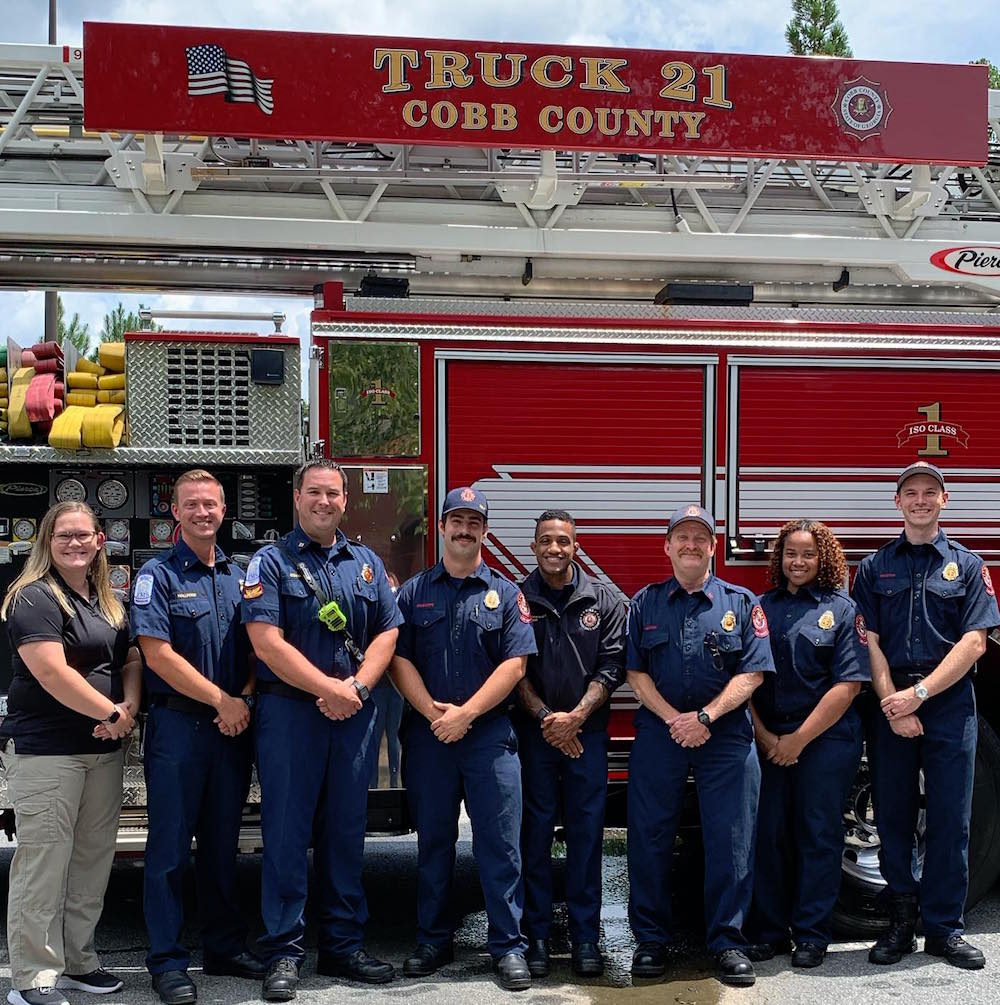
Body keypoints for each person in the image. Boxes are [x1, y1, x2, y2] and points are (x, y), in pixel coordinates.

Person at [242, 459, 402, 1001]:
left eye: (333, 493)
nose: (324, 501)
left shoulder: (365, 563)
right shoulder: (269, 561)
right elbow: (267, 642)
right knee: (286, 834)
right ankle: (284, 951)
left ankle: (342, 944)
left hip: (352, 714)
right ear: (297, 498)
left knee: (344, 833)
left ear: (345, 501)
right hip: (290, 716)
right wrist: (326, 690)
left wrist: (355, 687)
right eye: (315, 492)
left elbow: (387, 632)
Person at [853, 461, 1000, 970]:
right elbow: (867, 639)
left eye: (929, 493)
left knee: (950, 821)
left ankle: (943, 930)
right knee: (892, 817)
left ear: (945, 500)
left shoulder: (969, 564)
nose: (920, 500)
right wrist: (893, 700)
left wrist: (919, 694)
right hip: (892, 703)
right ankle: (899, 926)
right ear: (897, 502)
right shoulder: (874, 568)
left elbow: (975, 641)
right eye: (910, 493)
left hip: (949, 702)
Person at [390, 486, 537, 991]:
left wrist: (466, 714)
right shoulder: (413, 592)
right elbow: (398, 658)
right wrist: (432, 711)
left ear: (485, 532)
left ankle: (508, 947)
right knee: (434, 842)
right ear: (443, 527)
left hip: (488, 736)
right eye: (457, 520)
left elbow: (515, 665)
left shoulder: (507, 594)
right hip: (430, 735)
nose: (465, 529)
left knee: (500, 845)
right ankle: (433, 940)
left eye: (475, 522)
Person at [131, 470, 264, 1005]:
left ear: (224, 509)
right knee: (168, 850)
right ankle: (167, 961)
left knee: (220, 847)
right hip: (180, 728)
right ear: (176, 512)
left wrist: (246, 699)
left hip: (231, 730)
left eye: (210, 503)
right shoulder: (156, 576)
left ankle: (224, 947)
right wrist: (223, 702)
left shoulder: (242, 576)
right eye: (192, 504)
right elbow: (156, 652)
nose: (202, 512)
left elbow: (261, 645)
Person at [626, 504, 772, 988]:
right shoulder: (644, 603)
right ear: (666, 546)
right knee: (649, 837)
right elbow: (636, 673)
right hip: (662, 734)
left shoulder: (741, 602)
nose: (691, 545)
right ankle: (650, 941)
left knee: (731, 839)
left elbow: (752, 673)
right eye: (681, 537)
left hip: (725, 735)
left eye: (700, 538)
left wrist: (706, 717)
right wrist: (676, 720)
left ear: (713, 547)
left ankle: (728, 941)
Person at [0, 501, 141, 1005]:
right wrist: (110, 714)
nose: (75, 543)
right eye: (64, 535)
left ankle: (79, 961)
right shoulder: (34, 597)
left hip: (101, 752)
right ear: (47, 541)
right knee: (44, 863)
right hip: (48, 752)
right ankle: (33, 978)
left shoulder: (106, 599)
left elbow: (130, 657)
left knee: (90, 862)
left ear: (101, 540)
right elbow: (51, 673)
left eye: (84, 535)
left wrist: (127, 706)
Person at [746, 519, 869, 968]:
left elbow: (848, 686)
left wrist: (797, 740)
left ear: (825, 559)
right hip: (769, 738)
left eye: (808, 554)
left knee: (817, 835)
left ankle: (813, 935)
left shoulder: (842, 610)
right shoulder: (758, 608)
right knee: (769, 835)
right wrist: (766, 736)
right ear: (779, 559)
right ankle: (769, 932)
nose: (798, 562)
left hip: (824, 739)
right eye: (790, 554)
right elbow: (747, 679)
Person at [515, 509, 625, 978]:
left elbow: (613, 666)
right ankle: (536, 939)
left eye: (563, 541)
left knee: (586, 839)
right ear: (534, 546)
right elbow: (513, 665)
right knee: (533, 838)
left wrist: (576, 718)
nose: (555, 549)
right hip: (534, 735)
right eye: (546, 541)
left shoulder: (606, 599)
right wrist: (547, 719)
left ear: (575, 546)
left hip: (587, 735)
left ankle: (585, 940)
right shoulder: (516, 599)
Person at [369, 572, 404, 789]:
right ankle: (377, 785)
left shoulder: (397, 602)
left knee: (392, 737)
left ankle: (393, 783)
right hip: (377, 685)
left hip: (395, 686)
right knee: (379, 739)